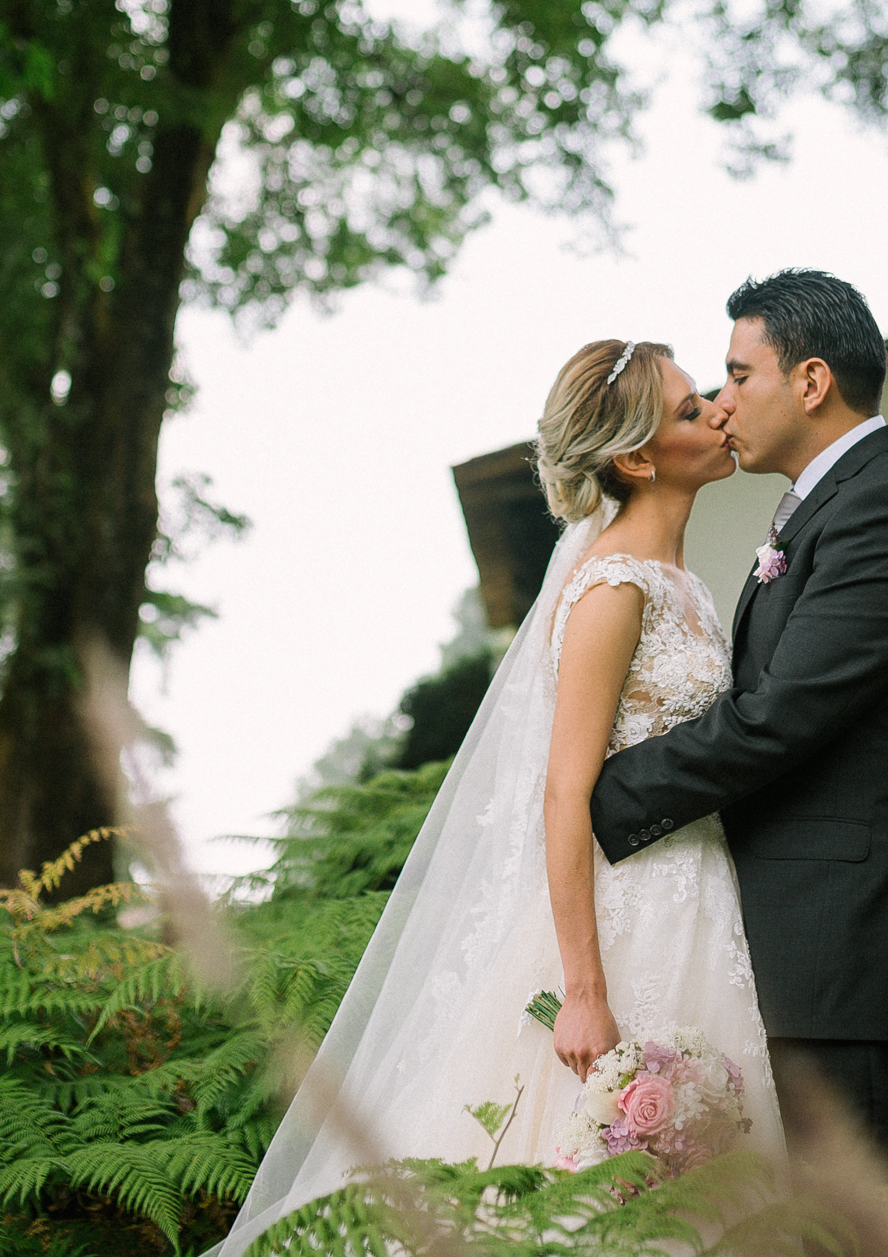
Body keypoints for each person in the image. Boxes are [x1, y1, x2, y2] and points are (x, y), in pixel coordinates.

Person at [215, 337, 784, 1253]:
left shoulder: (687, 583)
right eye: (691, 407)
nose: (719, 409)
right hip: (628, 920)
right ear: (637, 457)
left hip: (703, 909)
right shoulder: (612, 587)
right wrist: (585, 992)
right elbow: (563, 794)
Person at [591, 269, 888, 1198]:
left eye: (735, 375)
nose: (722, 406)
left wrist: (602, 795)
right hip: (797, 951)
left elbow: (776, 719)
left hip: (845, 957)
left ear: (810, 382)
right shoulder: (828, 505)